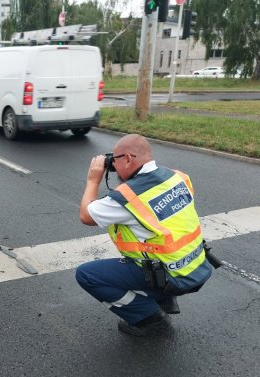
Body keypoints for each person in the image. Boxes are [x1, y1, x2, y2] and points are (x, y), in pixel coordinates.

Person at [75, 134, 213, 337]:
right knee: (144, 247)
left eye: (115, 160)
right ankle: (162, 297)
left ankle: (149, 318)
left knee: (87, 275)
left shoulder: (127, 197)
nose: (113, 166)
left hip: (168, 275)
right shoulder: (177, 177)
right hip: (196, 267)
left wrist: (92, 180)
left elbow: (86, 216)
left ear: (129, 159)